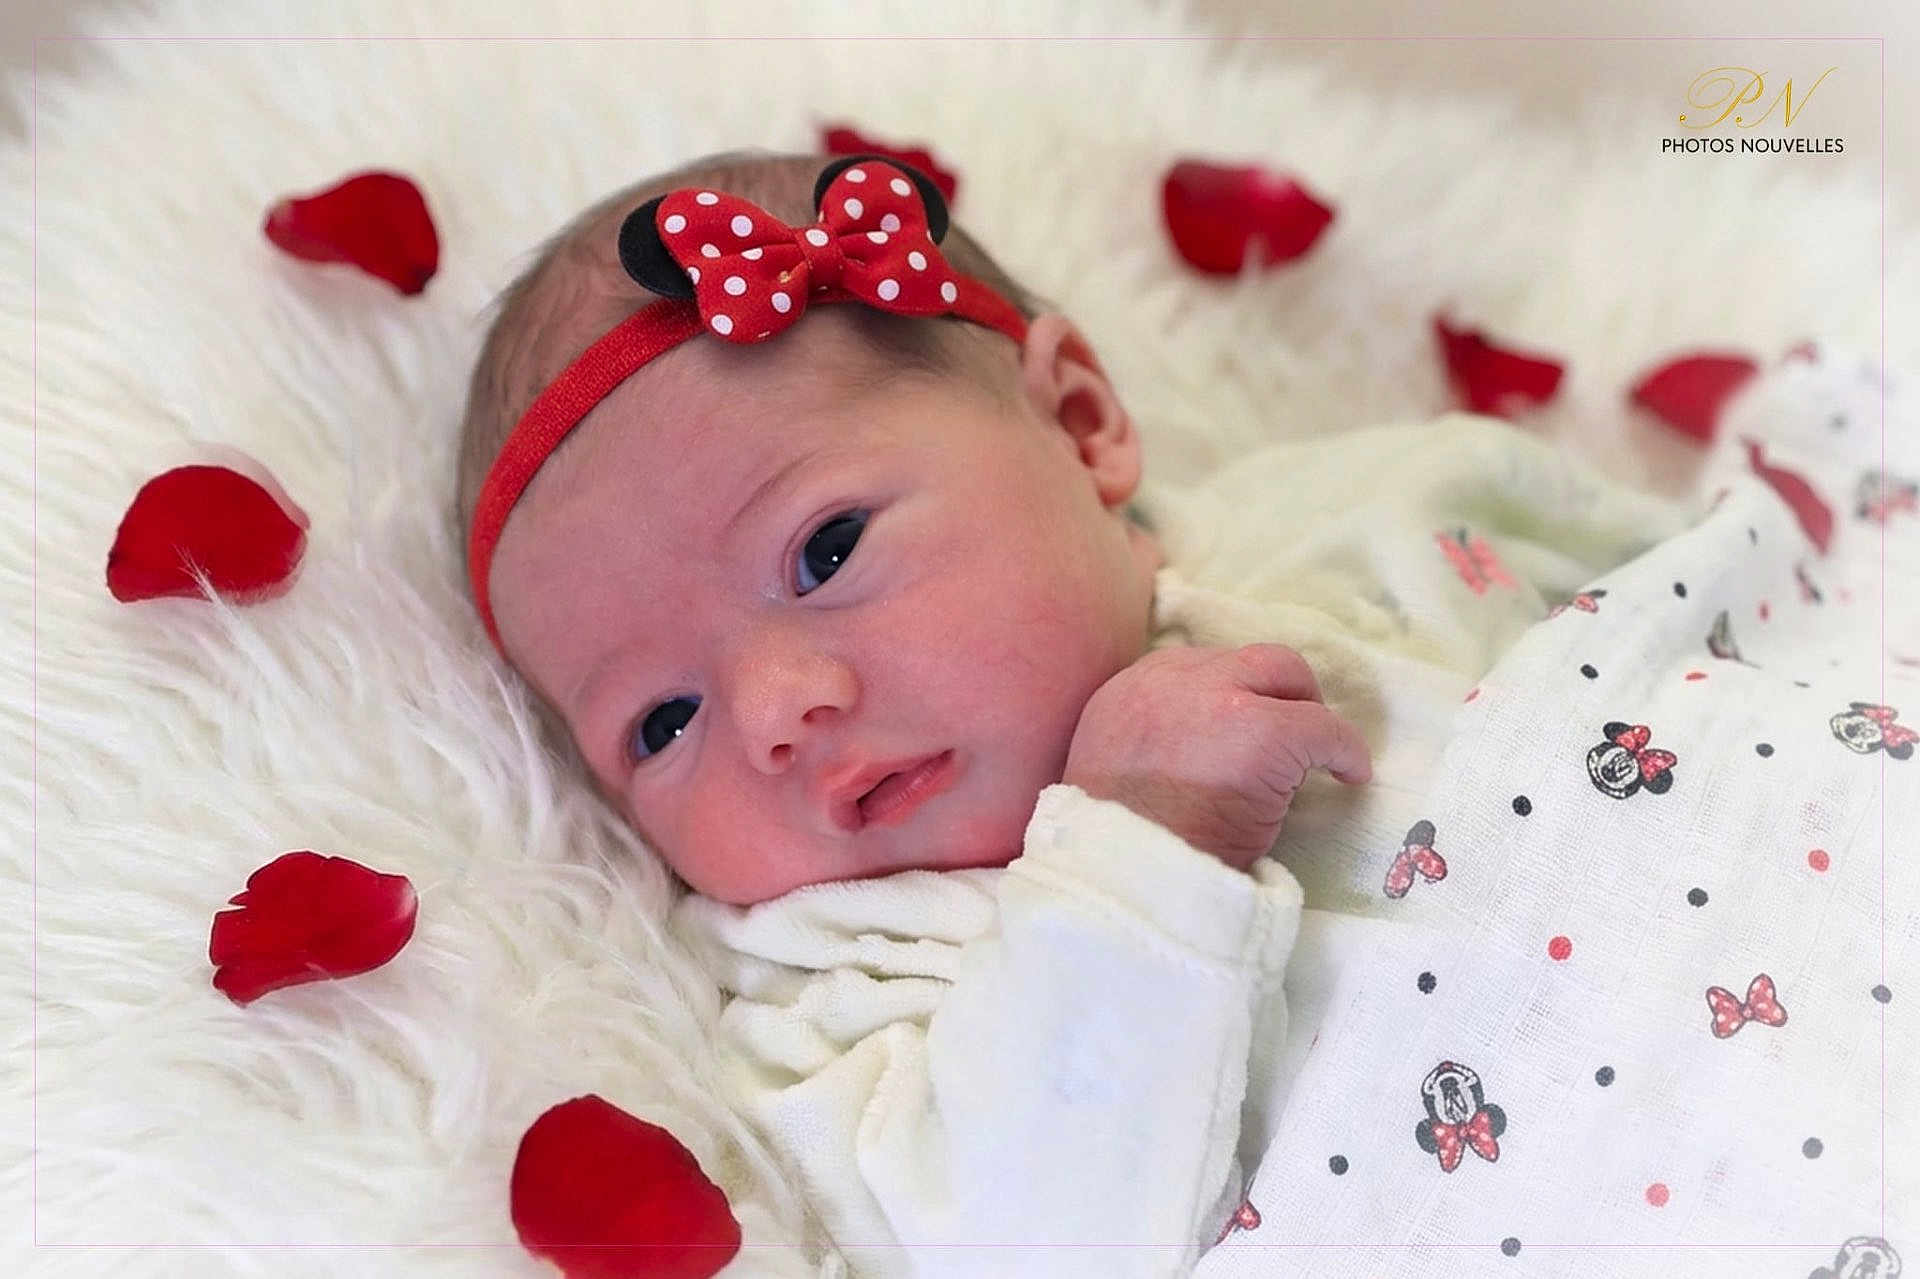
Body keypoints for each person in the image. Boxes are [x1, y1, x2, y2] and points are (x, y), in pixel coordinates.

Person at [457, 149, 1685, 1276]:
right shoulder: (841, 988)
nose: (778, 711)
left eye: (825, 550)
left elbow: (1700, 598)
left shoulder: (1359, 516)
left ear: (1081, 424)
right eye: (663, 722)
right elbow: (1020, 1239)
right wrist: (1141, 855)